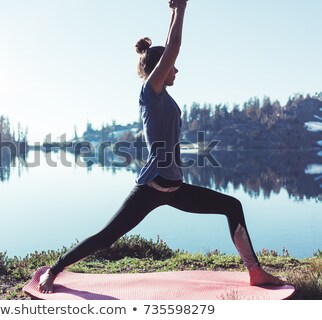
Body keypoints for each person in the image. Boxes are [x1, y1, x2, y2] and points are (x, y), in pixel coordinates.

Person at [38, 0, 286, 293]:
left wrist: (172, 13)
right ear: (160, 68)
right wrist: (181, 10)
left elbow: (170, 49)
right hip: (151, 187)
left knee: (233, 206)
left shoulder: (164, 96)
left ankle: (255, 272)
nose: (176, 70)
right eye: (172, 67)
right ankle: (53, 270)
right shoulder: (150, 93)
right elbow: (174, 46)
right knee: (107, 237)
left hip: (176, 188)